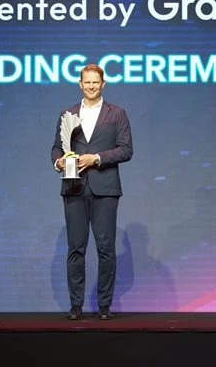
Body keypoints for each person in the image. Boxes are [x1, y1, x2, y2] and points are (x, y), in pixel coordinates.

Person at [51, 64, 133, 321]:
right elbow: (56, 147)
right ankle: (76, 305)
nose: (91, 86)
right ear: (80, 84)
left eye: (95, 82)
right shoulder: (67, 113)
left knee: (105, 248)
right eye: (87, 82)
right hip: (73, 187)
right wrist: (59, 162)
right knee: (76, 248)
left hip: (105, 188)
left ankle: (104, 305)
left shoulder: (117, 114)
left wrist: (96, 158)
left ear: (103, 84)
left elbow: (126, 150)